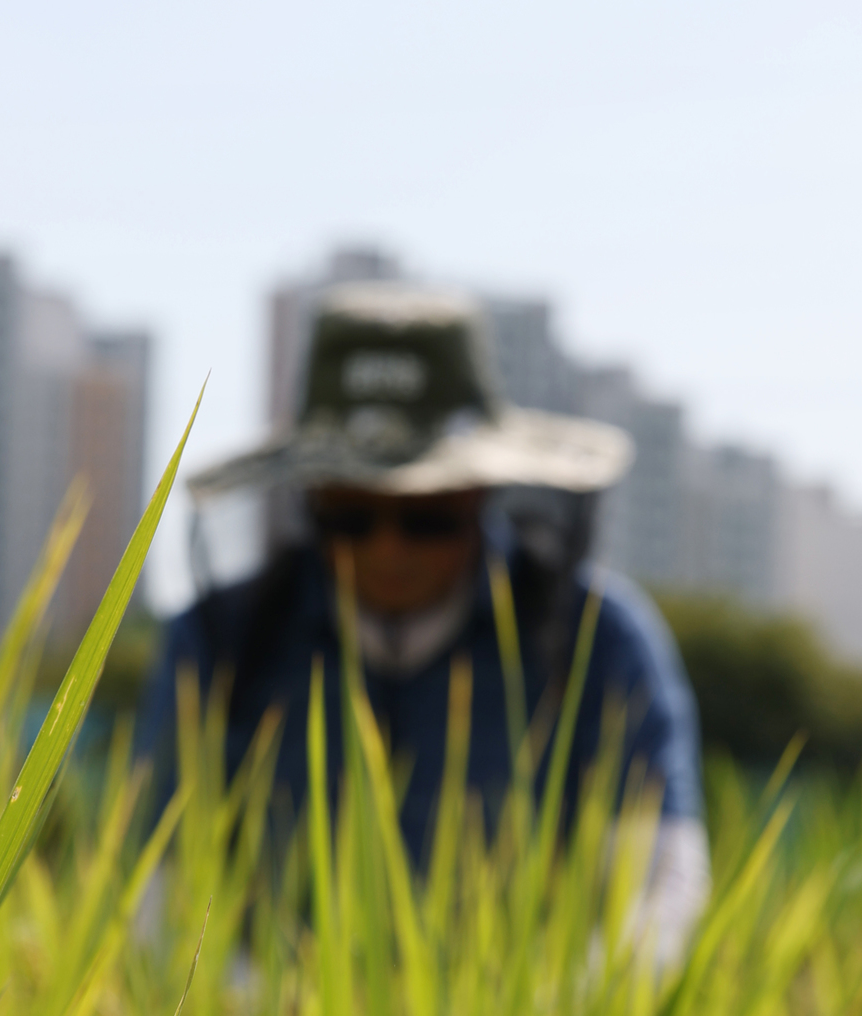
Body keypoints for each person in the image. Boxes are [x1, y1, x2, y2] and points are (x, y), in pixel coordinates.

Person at [139, 286, 710, 965]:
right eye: (352, 515)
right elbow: (157, 885)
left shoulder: (599, 642)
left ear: (480, 494)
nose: (388, 549)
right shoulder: (221, 641)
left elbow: (662, 886)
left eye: (426, 517)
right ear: (312, 499)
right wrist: (252, 1009)